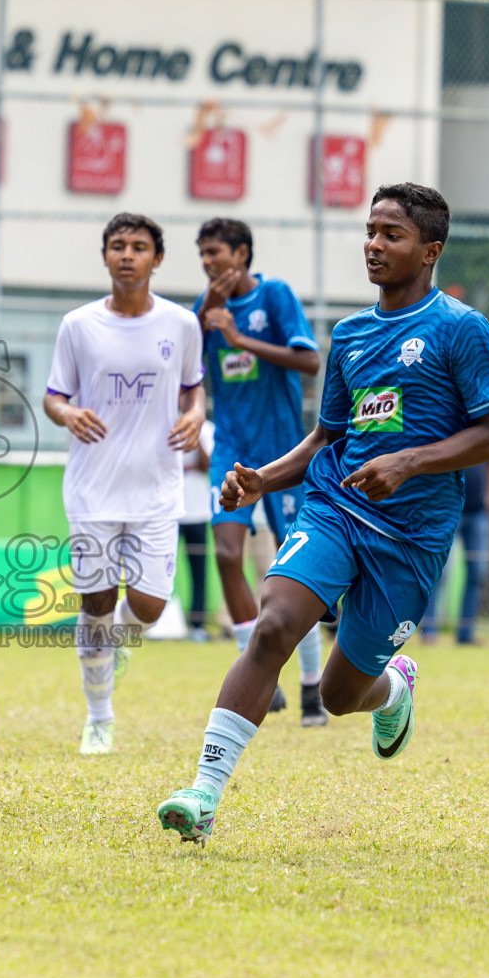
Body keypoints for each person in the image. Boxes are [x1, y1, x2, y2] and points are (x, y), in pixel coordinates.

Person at [156, 183, 489, 846]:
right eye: (371, 231)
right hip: (336, 508)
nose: (374, 245)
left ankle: (394, 692)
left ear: (430, 250)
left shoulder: (461, 330)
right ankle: (202, 794)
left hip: (412, 537)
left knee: (347, 693)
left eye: (393, 235)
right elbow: (326, 440)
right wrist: (261, 479)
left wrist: (409, 462)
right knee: (273, 628)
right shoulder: (349, 335)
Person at [44, 211, 206, 756]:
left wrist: (195, 416)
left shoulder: (182, 325)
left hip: (158, 486)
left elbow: (194, 390)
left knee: (150, 606)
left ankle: (115, 648)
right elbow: (53, 395)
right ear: (106, 256)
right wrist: (66, 416)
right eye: (118, 245)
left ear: (157, 259)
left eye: (139, 246)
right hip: (92, 487)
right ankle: (99, 717)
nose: (128, 254)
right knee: (96, 604)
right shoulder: (78, 324)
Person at [192, 218, 326, 725]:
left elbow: (309, 362)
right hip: (230, 447)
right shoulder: (205, 311)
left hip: (284, 452)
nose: (209, 262)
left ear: (242, 254)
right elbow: (190, 366)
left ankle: (311, 685)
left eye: (216, 252)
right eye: (202, 254)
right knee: (227, 552)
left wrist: (241, 340)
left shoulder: (275, 297)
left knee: (298, 571)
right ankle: (259, 674)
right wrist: (209, 317)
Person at [420, 459, 489, 645]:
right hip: (449, 509)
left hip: (478, 512)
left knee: (478, 573)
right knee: (440, 572)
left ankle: (466, 634)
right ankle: (429, 630)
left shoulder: (484, 430)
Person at [180, 420, 214, 642]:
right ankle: (160, 621)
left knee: (199, 571)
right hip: (167, 511)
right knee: (162, 569)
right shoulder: (163, 422)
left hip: (198, 511)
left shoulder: (207, 429)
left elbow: (206, 464)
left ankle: (197, 624)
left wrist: (196, 436)